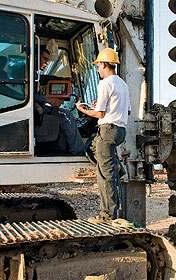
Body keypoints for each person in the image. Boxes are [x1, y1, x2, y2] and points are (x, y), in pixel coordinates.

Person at [76, 48, 130, 220]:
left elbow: (99, 114)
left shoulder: (105, 83)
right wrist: (98, 105)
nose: (97, 69)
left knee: (105, 176)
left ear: (105, 64)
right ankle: (117, 168)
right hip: (119, 131)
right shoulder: (123, 84)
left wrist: (83, 109)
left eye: (98, 65)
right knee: (91, 147)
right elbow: (125, 111)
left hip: (107, 130)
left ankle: (108, 215)